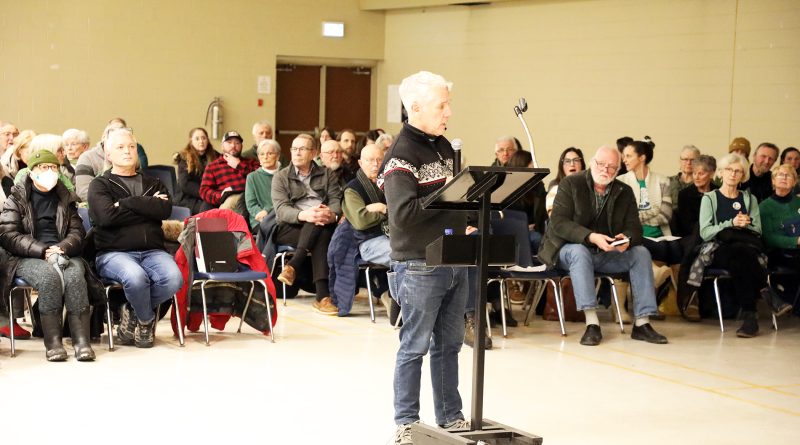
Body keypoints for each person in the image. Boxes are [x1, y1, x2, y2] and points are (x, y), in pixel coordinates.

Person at [379, 71, 470, 444]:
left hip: (453, 258)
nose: (448, 112)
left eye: (448, 104)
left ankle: (450, 416)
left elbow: (450, 200)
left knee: (449, 345)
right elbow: (402, 213)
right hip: (418, 264)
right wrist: (450, 199)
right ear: (415, 108)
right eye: (441, 105)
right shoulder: (400, 156)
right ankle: (407, 422)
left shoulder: (444, 147)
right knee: (414, 346)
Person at [538, 145, 668, 347]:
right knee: (580, 252)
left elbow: (634, 228)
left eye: (611, 167)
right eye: (601, 164)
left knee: (641, 252)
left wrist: (626, 240)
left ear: (618, 171)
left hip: (605, 252)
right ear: (591, 163)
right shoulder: (571, 184)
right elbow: (559, 223)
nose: (605, 170)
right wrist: (591, 237)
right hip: (566, 250)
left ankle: (642, 323)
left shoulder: (624, 192)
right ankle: (592, 324)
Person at [0, 148, 103, 361]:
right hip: (27, 256)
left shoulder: (66, 198)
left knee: (75, 278)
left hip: (64, 252)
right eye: (43, 167)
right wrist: (42, 250)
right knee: (49, 278)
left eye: (54, 167)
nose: (49, 171)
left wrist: (63, 247)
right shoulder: (16, 199)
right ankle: (53, 342)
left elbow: (77, 231)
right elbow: (8, 234)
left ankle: (81, 341)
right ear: (31, 172)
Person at [88, 128, 183, 348]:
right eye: (120, 147)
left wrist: (127, 203)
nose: (127, 151)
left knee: (174, 279)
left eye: (131, 146)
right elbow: (106, 217)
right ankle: (146, 319)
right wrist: (146, 204)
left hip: (152, 251)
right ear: (108, 155)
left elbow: (163, 210)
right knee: (136, 278)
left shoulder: (155, 183)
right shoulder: (100, 184)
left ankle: (132, 310)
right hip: (113, 253)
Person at [697, 153, 788, 337]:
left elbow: (758, 230)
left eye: (738, 171)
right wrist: (731, 223)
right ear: (721, 173)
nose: (733, 174)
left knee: (740, 257)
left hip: (745, 248)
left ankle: (750, 318)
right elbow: (705, 232)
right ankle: (767, 293)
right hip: (718, 248)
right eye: (729, 170)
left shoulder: (749, 199)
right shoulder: (710, 198)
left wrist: (746, 224)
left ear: (743, 175)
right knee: (740, 253)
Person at [272, 133, 342, 315]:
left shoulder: (327, 174)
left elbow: (336, 200)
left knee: (319, 225)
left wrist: (331, 215)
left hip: (322, 224)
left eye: (302, 149)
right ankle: (322, 297)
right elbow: (281, 210)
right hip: (290, 226)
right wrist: (305, 214)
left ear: (313, 153)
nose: (296, 153)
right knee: (317, 225)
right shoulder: (281, 177)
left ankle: (293, 265)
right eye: (294, 149)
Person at [618, 137, 682, 266]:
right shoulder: (621, 182)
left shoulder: (663, 180)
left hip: (661, 234)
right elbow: (624, 217)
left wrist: (638, 216)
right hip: (635, 235)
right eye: (624, 156)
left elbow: (665, 216)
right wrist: (654, 211)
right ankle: (658, 280)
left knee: (675, 248)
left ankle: (671, 285)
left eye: (628, 156)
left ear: (642, 158)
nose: (624, 160)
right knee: (661, 248)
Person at [674, 155, 718, 320]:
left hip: (714, 236)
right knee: (694, 247)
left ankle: (694, 300)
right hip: (690, 237)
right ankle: (688, 300)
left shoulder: (718, 192)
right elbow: (687, 224)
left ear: (712, 173)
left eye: (702, 173)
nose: (697, 177)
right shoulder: (685, 194)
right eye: (694, 173)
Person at [758, 163, 799, 315]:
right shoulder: (764, 207)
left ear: (794, 182)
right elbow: (768, 238)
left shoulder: (798, 203)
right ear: (773, 181)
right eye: (779, 175)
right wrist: (796, 241)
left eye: (788, 175)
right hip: (778, 253)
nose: (783, 178)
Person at [199, 130, 260, 211]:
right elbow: (204, 190)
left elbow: (260, 178)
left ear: (241, 146)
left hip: (250, 198)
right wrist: (221, 195)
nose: (233, 145)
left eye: (237, 143)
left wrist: (239, 165)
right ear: (222, 146)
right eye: (229, 142)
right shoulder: (213, 167)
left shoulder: (251, 162)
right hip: (227, 200)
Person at [75, 120, 125, 201]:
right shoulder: (87, 158)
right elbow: (83, 192)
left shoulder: (127, 156)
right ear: (103, 139)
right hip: (100, 207)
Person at [174, 127, 219, 214]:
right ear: (191, 141)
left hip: (208, 197)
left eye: (203, 138)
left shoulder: (215, 156)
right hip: (187, 198)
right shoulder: (184, 158)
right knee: (209, 208)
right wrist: (207, 194)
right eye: (197, 139)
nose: (201, 141)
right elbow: (185, 184)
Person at [245, 139, 280, 232]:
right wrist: (262, 214)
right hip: (260, 220)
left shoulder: (285, 175)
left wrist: (268, 211)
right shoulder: (252, 177)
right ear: (259, 157)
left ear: (277, 156)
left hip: (281, 216)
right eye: (262, 154)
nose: (265, 157)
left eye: (270, 153)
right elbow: (251, 204)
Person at [546, 147, 585, 215]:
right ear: (562, 166)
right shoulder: (555, 187)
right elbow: (554, 217)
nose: (572, 164)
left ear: (582, 165)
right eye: (567, 161)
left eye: (576, 160)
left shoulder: (589, 185)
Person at [668, 145, 700, 212]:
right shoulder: (667, 182)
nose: (689, 163)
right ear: (680, 161)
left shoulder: (704, 184)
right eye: (685, 159)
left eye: (693, 160)